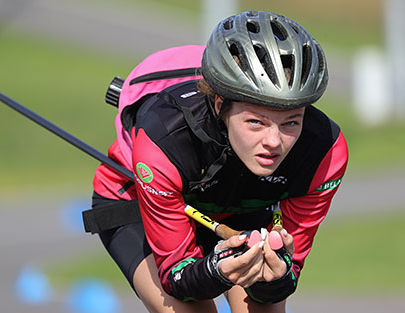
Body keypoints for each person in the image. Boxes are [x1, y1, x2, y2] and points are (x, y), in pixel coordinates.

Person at [83, 10, 348, 313]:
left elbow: (286, 274)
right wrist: (215, 271)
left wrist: (275, 277)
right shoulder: (166, 140)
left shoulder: (324, 151)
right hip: (141, 199)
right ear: (221, 105)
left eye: (290, 122)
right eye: (256, 123)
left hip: (239, 204)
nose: (274, 142)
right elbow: (178, 278)